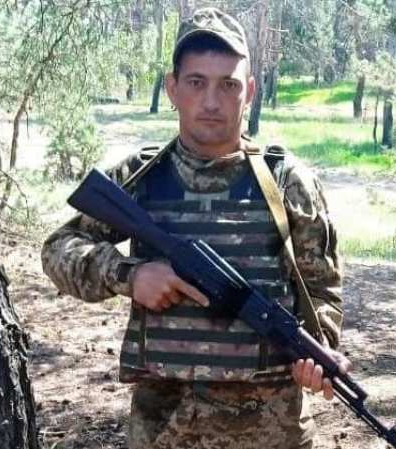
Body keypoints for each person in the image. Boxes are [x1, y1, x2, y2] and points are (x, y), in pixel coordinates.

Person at [42, 7, 351, 449]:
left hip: (273, 431)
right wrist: (129, 274)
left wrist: (317, 352)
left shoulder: (287, 182)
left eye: (228, 84)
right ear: (172, 88)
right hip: (164, 430)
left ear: (250, 91)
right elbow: (58, 249)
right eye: (196, 82)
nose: (211, 101)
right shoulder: (140, 177)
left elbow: (322, 289)